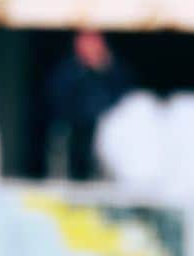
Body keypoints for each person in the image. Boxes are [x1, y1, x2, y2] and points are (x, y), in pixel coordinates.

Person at [46, 30, 131, 180]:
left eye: (93, 42)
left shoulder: (113, 70)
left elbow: (126, 96)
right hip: (74, 129)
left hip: (106, 127)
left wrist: (103, 67)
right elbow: (57, 95)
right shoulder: (69, 70)